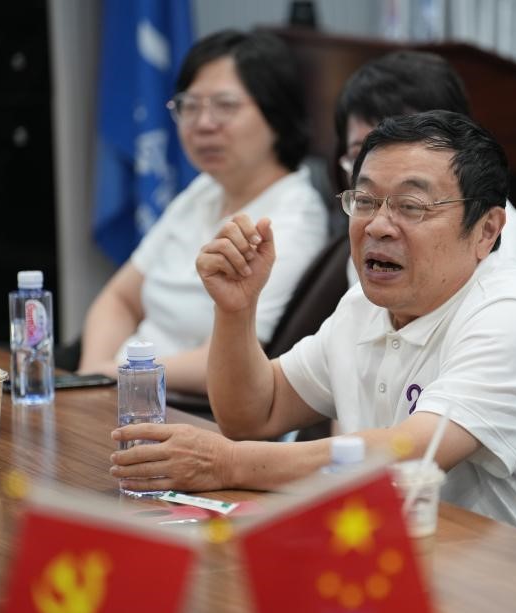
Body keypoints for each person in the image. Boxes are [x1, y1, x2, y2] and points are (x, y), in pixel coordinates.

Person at [110, 111, 516, 528]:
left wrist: (226, 463)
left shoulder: (514, 310)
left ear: (486, 231)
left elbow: (408, 453)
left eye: (411, 207)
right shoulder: (364, 305)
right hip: (396, 554)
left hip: (510, 584)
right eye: (364, 201)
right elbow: (255, 412)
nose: (378, 225)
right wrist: (236, 310)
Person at [76, 30, 328, 393]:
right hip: (115, 387)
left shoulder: (293, 218)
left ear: (277, 114)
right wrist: (90, 376)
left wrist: (114, 375)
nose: (203, 124)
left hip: (180, 405)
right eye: (190, 106)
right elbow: (120, 299)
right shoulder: (205, 189)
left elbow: (231, 362)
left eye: (225, 105)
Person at [333, 50, 516, 390]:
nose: (378, 225)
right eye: (361, 154)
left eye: (409, 143)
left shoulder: (499, 260)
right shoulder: (375, 243)